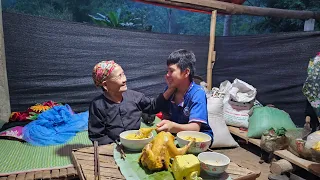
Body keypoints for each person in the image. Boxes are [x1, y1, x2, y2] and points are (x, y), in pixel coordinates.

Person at [88, 60, 175, 145]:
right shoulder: (98, 105)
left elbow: (153, 106)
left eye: (123, 74)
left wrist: (171, 89)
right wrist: (117, 146)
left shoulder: (134, 97)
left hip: (136, 142)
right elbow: (97, 136)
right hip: (113, 148)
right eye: (119, 76)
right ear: (105, 85)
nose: (124, 79)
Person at [156, 49, 214, 142]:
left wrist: (172, 126)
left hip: (197, 139)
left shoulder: (197, 93)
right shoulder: (169, 90)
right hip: (176, 136)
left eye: (171, 71)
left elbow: (195, 128)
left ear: (186, 72)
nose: (167, 75)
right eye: (167, 71)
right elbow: (165, 115)